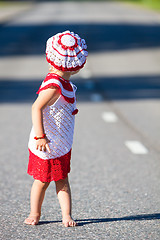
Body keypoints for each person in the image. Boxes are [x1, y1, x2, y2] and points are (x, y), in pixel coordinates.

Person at [24, 30, 88, 227]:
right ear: (76, 65)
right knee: (41, 181)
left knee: (62, 180)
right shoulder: (54, 85)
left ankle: (66, 216)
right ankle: (35, 213)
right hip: (45, 144)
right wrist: (40, 136)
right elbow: (36, 107)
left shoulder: (64, 82)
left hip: (59, 144)